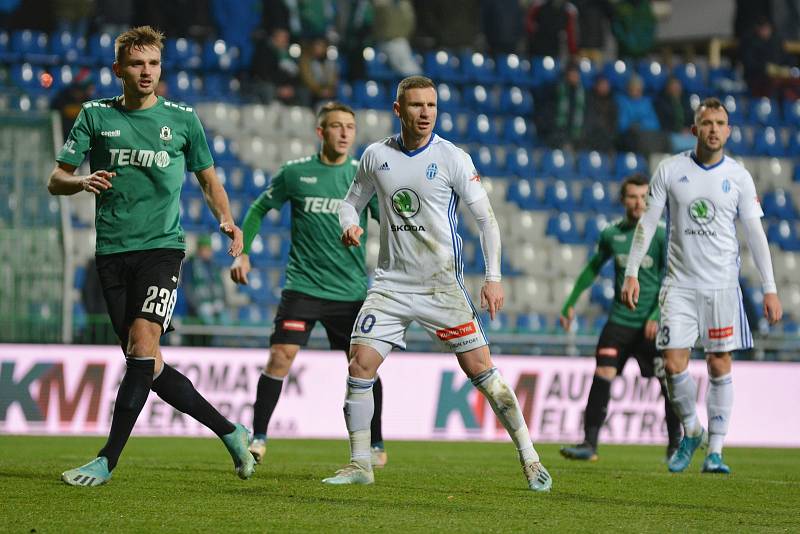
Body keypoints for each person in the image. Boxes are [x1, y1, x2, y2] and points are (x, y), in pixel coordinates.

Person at [322, 75, 552, 492]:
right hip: (391, 285)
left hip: (440, 286)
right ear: (398, 110)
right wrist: (349, 224)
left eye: (430, 105)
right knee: (359, 366)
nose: (424, 113)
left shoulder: (453, 158)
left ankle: (530, 457)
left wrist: (493, 277)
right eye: (415, 106)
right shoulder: (376, 156)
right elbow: (350, 202)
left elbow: (486, 221)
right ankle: (360, 463)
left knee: (482, 370)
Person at [47, 26, 255, 487]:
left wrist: (227, 219)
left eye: (154, 64)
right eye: (137, 64)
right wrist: (81, 182)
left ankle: (106, 460)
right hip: (112, 252)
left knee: (142, 347)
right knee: (147, 362)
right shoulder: (95, 115)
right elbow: (55, 179)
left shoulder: (182, 119)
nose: (147, 72)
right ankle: (230, 430)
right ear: (118, 69)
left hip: (162, 250)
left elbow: (208, 179)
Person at [621, 97, 783, 474]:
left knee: (718, 363)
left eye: (720, 123)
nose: (713, 129)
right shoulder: (670, 170)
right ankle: (693, 431)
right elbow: (647, 224)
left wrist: (770, 287)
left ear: (728, 130)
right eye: (706, 122)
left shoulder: (739, 176)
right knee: (672, 363)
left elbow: (755, 234)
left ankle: (716, 451)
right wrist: (632, 271)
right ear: (694, 129)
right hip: (679, 286)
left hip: (722, 288)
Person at [230, 102, 386, 467]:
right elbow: (258, 209)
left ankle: (376, 443)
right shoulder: (295, 173)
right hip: (303, 287)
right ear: (321, 132)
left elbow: (389, 221)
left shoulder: (361, 177)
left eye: (350, 126)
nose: (345, 133)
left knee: (364, 366)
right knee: (280, 356)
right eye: (337, 126)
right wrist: (243, 252)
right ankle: (260, 437)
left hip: (349, 293)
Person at [558, 174, 681, 462]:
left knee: (669, 383)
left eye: (643, 197)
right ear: (623, 200)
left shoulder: (662, 234)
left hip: (652, 324)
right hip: (619, 322)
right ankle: (589, 444)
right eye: (632, 197)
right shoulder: (612, 234)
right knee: (602, 375)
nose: (638, 203)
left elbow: (672, 278)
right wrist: (570, 302)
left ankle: (675, 446)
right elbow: (593, 268)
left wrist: (657, 314)